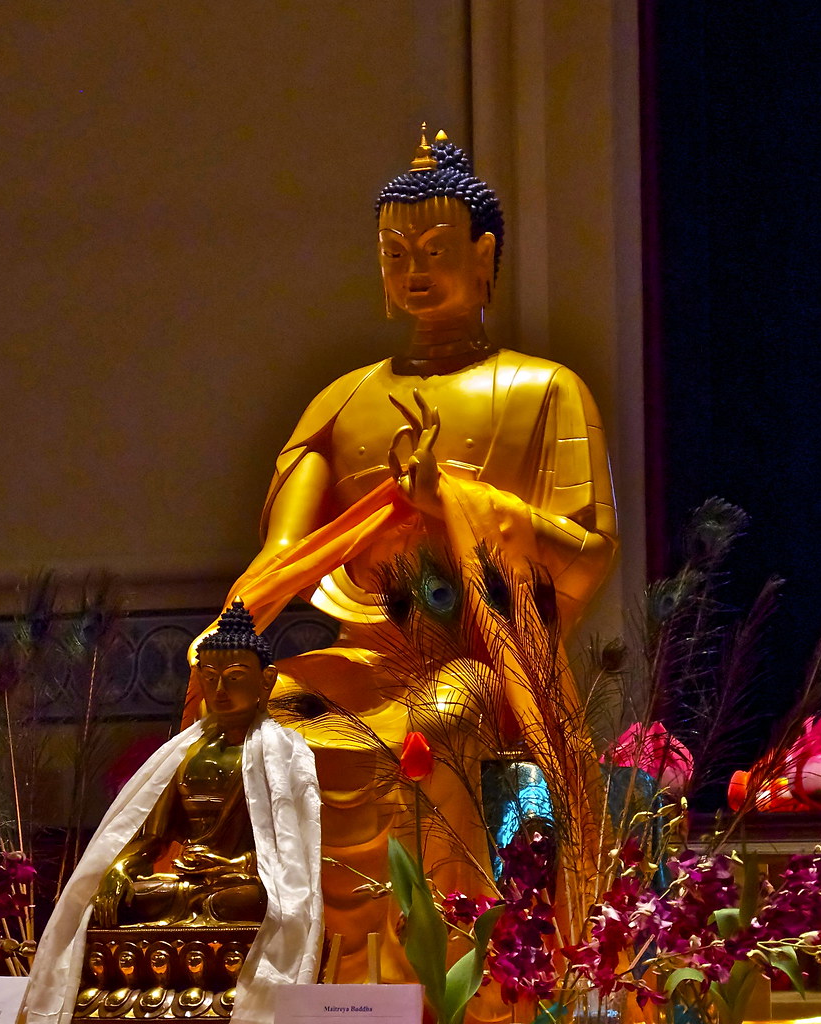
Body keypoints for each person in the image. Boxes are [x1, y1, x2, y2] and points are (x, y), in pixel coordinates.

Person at [185, 129, 618, 989]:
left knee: (442, 720)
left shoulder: (544, 391)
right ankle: (284, 968)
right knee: (255, 713)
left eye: (436, 250)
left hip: (485, 663)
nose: (413, 270)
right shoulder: (342, 402)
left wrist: (456, 504)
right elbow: (281, 562)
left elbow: (588, 552)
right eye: (394, 253)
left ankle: (443, 975)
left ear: (485, 255)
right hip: (369, 657)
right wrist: (234, 637)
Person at [20, 601, 321, 1024]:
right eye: (210, 679)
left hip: (237, 885)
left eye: (234, 679)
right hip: (183, 883)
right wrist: (120, 871)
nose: (219, 691)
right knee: (132, 899)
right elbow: (152, 837)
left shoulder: (284, 754)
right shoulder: (184, 756)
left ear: (266, 681)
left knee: (251, 902)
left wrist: (231, 865)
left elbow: (286, 853)